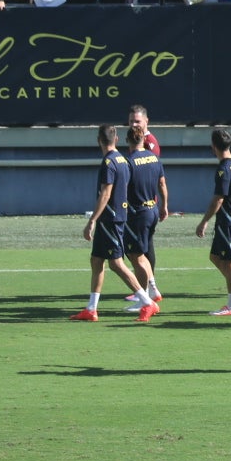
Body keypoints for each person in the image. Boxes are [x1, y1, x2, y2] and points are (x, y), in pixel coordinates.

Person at [70, 124, 153, 322]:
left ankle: (147, 302)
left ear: (99, 140)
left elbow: (106, 193)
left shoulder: (109, 162)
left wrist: (92, 220)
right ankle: (91, 309)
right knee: (97, 260)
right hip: (115, 217)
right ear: (115, 140)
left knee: (116, 264)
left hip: (111, 219)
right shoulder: (122, 159)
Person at [193, 127, 231, 317]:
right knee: (216, 257)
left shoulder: (224, 169)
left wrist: (204, 222)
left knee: (229, 261)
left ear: (213, 146)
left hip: (230, 221)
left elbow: (218, 199)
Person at [121, 124, 168, 314]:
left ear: (128, 141)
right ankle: (152, 289)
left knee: (136, 256)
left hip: (138, 213)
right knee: (144, 251)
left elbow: (122, 189)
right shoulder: (154, 158)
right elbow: (162, 183)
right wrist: (164, 205)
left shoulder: (129, 161)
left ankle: (144, 300)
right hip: (153, 209)